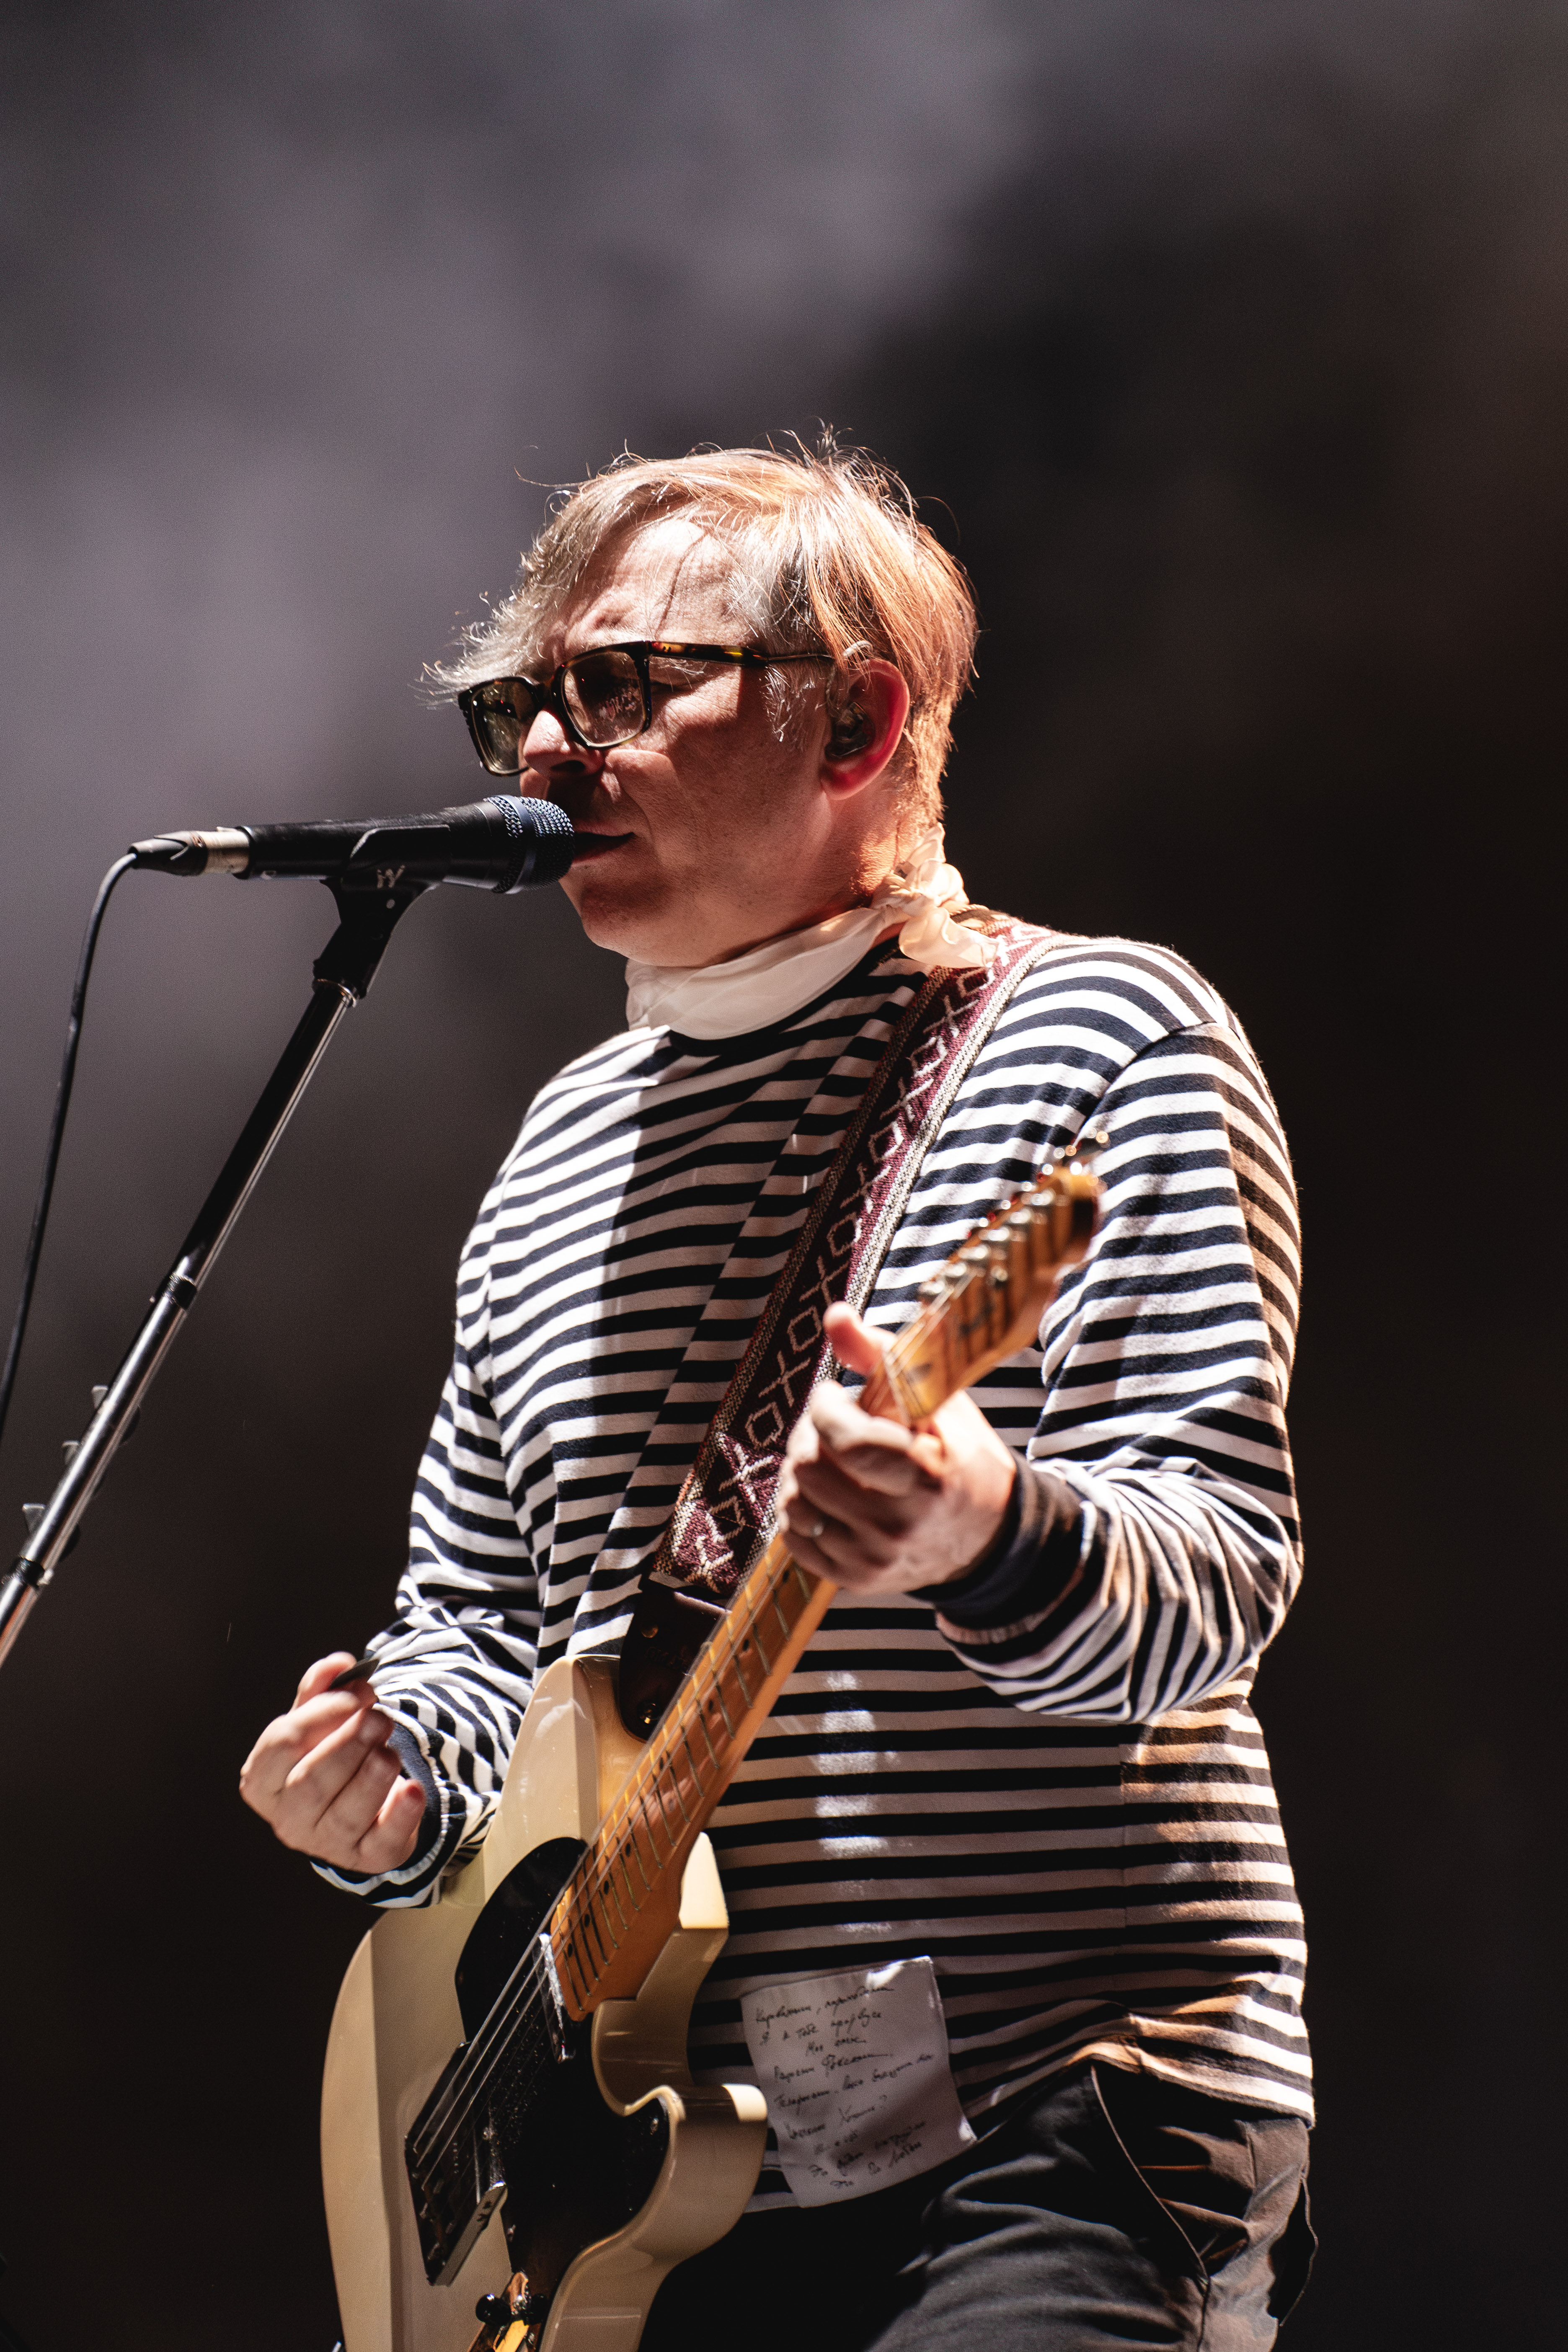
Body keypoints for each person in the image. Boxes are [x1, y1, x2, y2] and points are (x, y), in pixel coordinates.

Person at [240, 443, 1314, 2349]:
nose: (546, 752)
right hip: (664, 2178)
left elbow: (1219, 1577)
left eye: (623, 686)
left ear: (861, 720)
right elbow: (484, 1634)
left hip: (1062, 2106)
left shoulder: (1103, 1034)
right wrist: (390, 1786)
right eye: (524, 704)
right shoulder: (554, 1158)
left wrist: (985, 1529)